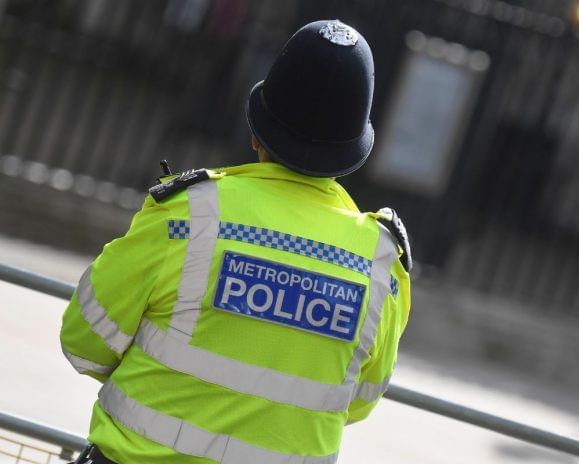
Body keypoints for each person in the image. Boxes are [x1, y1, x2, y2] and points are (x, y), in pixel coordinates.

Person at [61, 19, 411, 464]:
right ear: (351, 155)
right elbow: (358, 400)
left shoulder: (189, 216)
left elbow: (84, 340)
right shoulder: (381, 262)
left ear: (255, 132)